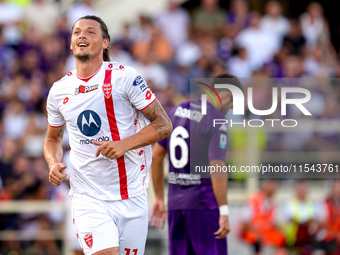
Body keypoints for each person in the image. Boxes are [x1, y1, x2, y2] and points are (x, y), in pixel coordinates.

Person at [43, 15, 172, 255]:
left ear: (105, 42)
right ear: (71, 44)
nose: (82, 35)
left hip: (132, 194)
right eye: (77, 32)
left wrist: (125, 145)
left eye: (91, 32)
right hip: (88, 197)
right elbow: (52, 139)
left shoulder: (126, 78)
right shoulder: (59, 90)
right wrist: (52, 162)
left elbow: (164, 124)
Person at [149, 73, 241, 254]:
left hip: (175, 204)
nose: (229, 110)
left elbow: (156, 156)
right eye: (231, 105)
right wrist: (223, 210)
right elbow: (217, 167)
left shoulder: (175, 112)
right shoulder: (216, 120)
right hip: (203, 204)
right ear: (227, 95)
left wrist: (159, 197)